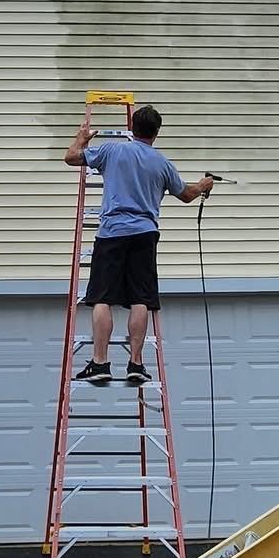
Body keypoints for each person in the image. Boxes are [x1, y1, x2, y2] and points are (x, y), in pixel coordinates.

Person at [64, 103, 214, 385]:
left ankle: (99, 364)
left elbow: (71, 158)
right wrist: (204, 184)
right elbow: (187, 195)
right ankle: (136, 363)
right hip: (145, 234)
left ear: (131, 127)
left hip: (112, 232)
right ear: (156, 132)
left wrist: (81, 139)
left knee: (102, 297)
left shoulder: (112, 150)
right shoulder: (162, 163)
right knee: (140, 299)